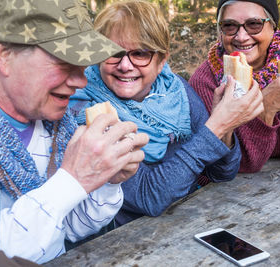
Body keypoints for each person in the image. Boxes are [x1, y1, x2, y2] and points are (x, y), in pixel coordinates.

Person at [0, 0, 149, 265]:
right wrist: (73, 180)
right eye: (64, 61)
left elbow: (67, 228)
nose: (81, 81)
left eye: (83, 65)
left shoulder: (58, 124)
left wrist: (106, 180)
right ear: (4, 54)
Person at [69, 0, 264, 226]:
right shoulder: (87, 109)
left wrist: (226, 127)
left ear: (161, 60)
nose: (125, 65)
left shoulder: (175, 89)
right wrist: (217, 126)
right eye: (113, 52)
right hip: (123, 242)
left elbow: (224, 171)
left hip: (186, 224)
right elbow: (148, 197)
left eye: (140, 53)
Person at [189, 0, 280, 173]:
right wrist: (266, 107)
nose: (241, 37)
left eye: (254, 24)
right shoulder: (206, 82)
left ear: (273, 27)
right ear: (220, 31)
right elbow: (238, 165)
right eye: (229, 25)